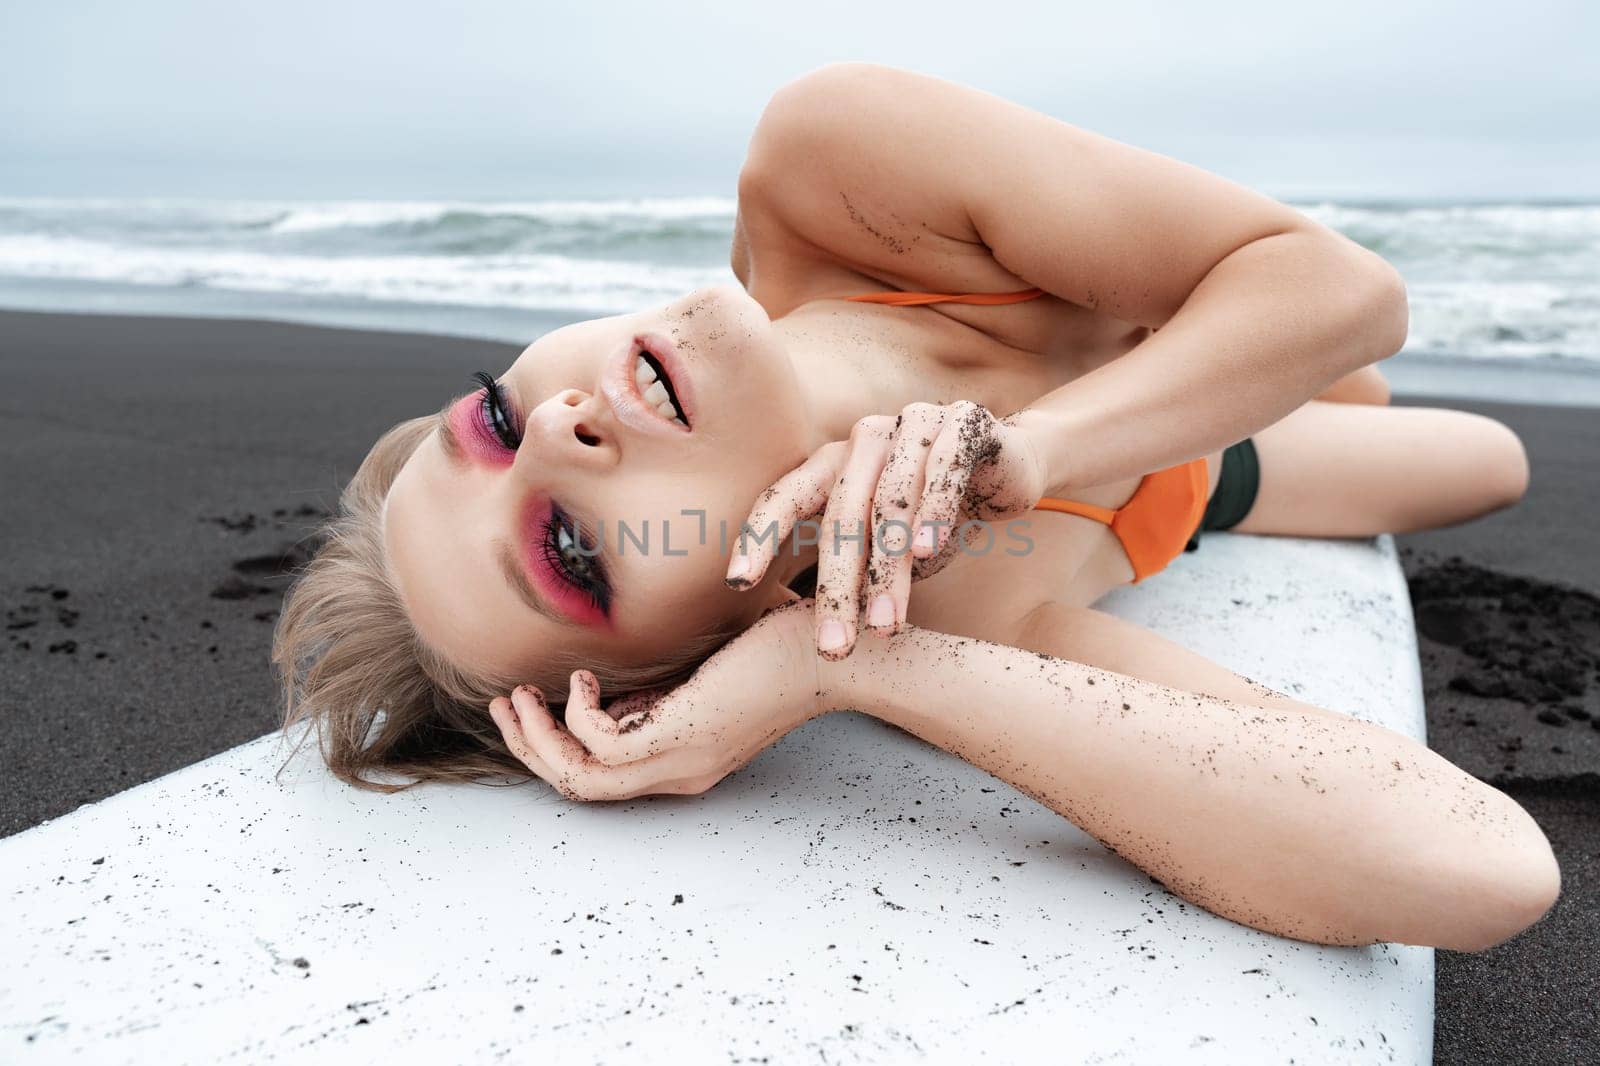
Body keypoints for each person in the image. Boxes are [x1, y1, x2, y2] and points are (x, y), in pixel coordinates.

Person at [273, 63, 1555, 950]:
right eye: (566, 546)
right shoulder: (961, 602)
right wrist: (842, 668)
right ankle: (1219, 360)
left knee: (1339, 351)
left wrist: (1039, 445)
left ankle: (1193, 338)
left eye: (493, 420)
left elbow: (1348, 293)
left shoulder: (835, 167)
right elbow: (1484, 864)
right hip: (1204, 476)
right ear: (691, 652)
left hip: (1154, 348)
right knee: (1490, 461)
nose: (556, 427)